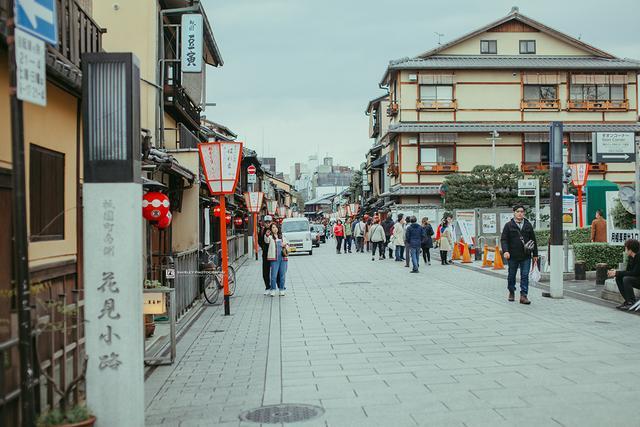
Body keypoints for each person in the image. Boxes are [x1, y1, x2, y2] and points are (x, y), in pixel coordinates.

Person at [500, 205, 538, 305]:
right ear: (514, 213)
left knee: (524, 275)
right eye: (518, 211)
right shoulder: (508, 225)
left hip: (526, 255)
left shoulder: (528, 225)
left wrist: (535, 254)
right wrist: (506, 251)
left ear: (524, 213)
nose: (520, 213)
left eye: (522, 211)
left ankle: (523, 295)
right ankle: (511, 291)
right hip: (512, 256)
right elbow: (504, 240)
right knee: (511, 275)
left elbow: (533, 240)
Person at [608, 239, 640, 310]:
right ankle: (628, 301)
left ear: (630, 249)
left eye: (625, 248)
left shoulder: (639, 256)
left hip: (638, 278)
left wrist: (617, 272)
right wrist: (616, 273)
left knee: (626, 279)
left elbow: (635, 272)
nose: (625, 250)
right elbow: (628, 271)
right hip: (637, 279)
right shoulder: (631, 257)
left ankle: (631, 302)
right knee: (619, 278)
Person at [264, 222, 289, 296]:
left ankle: (282, 289)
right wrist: (267, 235)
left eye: (276, 227)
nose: (275, 229)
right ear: (271, 229)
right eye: (273, 227)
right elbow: (266, 240)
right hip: (274, 258)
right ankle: (273, 289)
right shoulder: (270, 237)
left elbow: (287, 244)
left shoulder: (282, 236)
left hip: (283, 258)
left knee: (282, 274)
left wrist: (285, 245)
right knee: (273, 275)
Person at [259, 215, 276, 295]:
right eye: (266, 222)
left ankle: (275, 287)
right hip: (265, 254)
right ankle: (267, 287)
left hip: (274, 253)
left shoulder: (274, 229)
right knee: (265, 271)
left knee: (275, 271)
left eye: (269, 222)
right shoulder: (262, 230)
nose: (268, 224)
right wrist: (264, 247)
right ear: (264, 223)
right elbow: (259, 241)